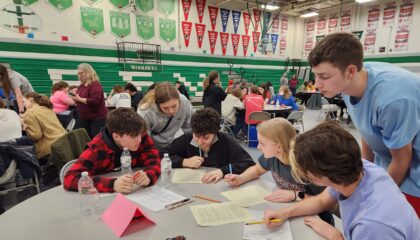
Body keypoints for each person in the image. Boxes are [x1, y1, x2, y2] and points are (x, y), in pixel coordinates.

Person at [309, 32, 420, 216]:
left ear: (351, 71)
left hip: (413, 174)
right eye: (316, 76)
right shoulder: (347, 82)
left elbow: (402, 160)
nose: (317, 84)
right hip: (391, 159)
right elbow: (367, 130)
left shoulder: (391, 100)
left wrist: (376, 196)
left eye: (324, 76)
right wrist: (361, 176)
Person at [264, 121, 420, 239]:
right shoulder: (356, 170)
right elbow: (321, 202)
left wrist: (335, 236)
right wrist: (284, 213)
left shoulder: (372, 225)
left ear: (317, 177)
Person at [225, 118, 333, 225]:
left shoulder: (304, 166)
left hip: (315, 219)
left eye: (262, 143)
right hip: (289, 210)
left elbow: (326, 202)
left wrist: (295, 195)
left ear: (279, 147)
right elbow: (257, 169)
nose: (258, 147)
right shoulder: (272, 156)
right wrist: (241, 178)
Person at [63, 108, 161, 193]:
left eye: (141, 134)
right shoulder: (97, 148)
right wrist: (112, 184)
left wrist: (148, 176)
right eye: (133, 136)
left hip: (137, 193)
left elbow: (154, 159)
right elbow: (70, 178)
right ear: (116, 136)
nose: (139, 139)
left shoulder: (139, 135)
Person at [164, 108, 255, 183]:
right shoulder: (187, 138)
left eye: (206, 138)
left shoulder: (226, 141)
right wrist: (183, 161)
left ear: (215, 133)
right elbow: (162, 154)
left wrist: (222, 171)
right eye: (197, 136)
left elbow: (249, 163)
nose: (200, 142)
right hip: (192, 187)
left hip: (219, 186)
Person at [137, 82, 193, 151]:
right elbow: (143, 140)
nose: (171, 111)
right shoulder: (145, 111)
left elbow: (191, 130)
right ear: (157, 104)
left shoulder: (184, 102)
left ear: (179, 100)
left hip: (171, 146)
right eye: (165, 108)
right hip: (152, 147)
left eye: (174, 106)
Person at [22, 92, 66, 159]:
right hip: (65, 143)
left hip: (50, 149)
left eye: (24, 101)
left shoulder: (29, 112)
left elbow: (36, 136)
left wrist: (25, 127)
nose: (23, 104)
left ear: (30, 99)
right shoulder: (48, 109)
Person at [71, 63, 108, 138]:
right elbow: (79, 101)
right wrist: (75, 97)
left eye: (81, 73)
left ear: (88, 72)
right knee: (85, 139)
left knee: (97, 140)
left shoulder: (95, 85)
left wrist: (79, 99)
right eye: (78, 73)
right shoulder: (81, 86)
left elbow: (95, 101)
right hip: (84, 118)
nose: (79, 75)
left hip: (97, 118)